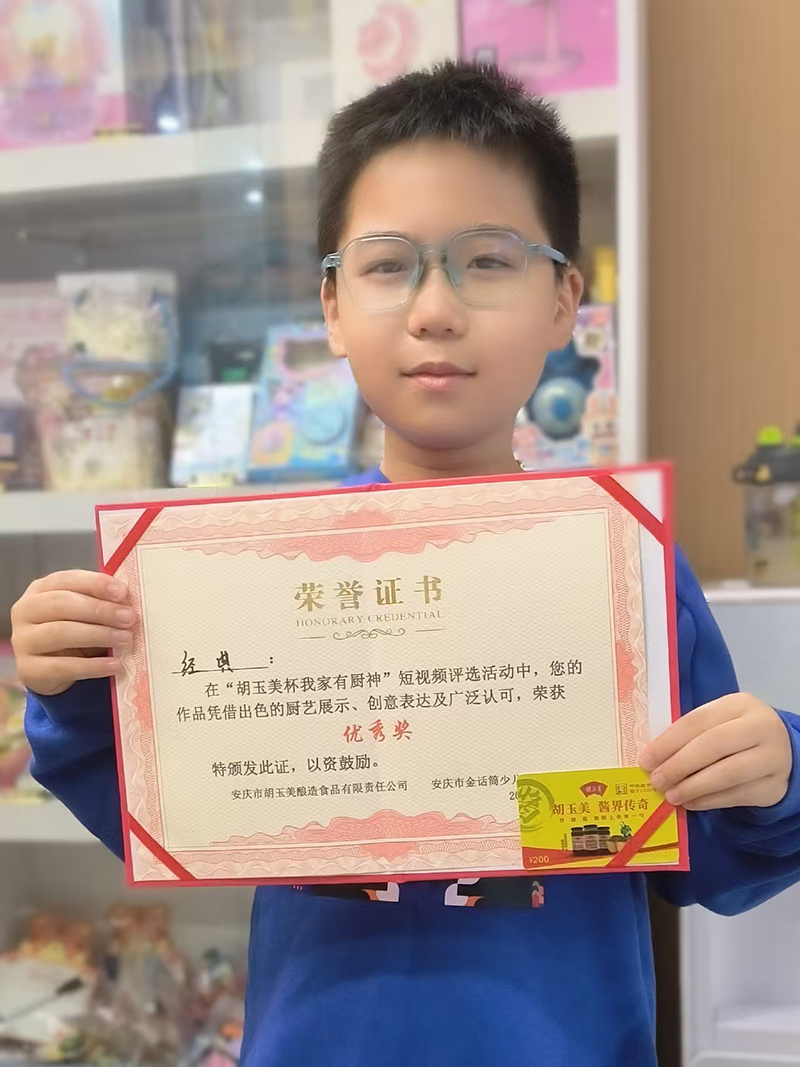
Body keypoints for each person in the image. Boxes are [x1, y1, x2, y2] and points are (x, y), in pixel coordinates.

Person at [12, 62, 800, 1067]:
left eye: (487, 259)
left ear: (564, 299)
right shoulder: (251, 579)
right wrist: (75, 682)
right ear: (332, 305)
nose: (435, 308)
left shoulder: (621, 566)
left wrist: (772, 766)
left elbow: (710, 858)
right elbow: (164, 818)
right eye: (387, 266)